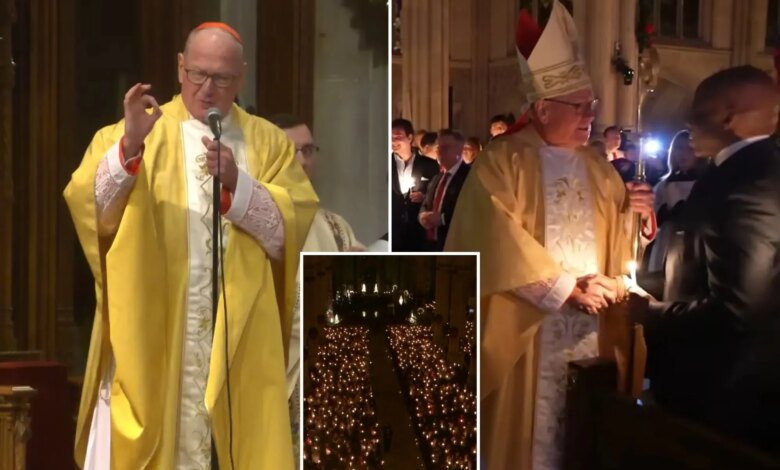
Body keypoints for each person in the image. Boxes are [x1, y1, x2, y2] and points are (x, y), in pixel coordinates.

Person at [64, 23, 317, 469]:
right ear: (180, 67)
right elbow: (92, 209)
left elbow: (287, 234)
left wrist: (239, 186)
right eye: (198, 74)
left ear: (240, 76)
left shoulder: (268, 143)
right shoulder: (139, 130)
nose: (207, 89)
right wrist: (129, 147)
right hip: (156, 336)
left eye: (221, 78)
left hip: (237, 339)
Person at [444, 3, 655, 468]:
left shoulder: (600, 169)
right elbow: (491, 238)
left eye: (592, 107)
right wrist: (565, 290)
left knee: (579, 437)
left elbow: (625, 244)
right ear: (542, 107)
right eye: (580, 107)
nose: (591, 116)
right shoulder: (503, 162)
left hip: (590, 335)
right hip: (530, 331)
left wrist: (639, 220)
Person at [631, 65, 780, 456]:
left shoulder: (751, 183)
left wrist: (646, 311)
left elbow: (738, 310)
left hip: (724, 393)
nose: (687, 122)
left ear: (726, 117)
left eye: (697, 111)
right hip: (710, 383)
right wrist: (637, 282)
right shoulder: (730, 169)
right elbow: (698, 263)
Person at [270, 114, 365, 252]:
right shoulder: (250, 227)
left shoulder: (335, 227)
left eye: (307, 151)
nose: (302, 162)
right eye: (288, 152)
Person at [646, 130, 704, 274]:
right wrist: (662, 214)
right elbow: (651, 216)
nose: (683, 153)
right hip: (666, 243)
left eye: (688, 148)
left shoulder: (705, 183)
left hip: (694, 245)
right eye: (678, 148)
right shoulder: (663, 185)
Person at [391, 118, 440, 251]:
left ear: (410, 137)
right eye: (390, 138)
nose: (393, 141)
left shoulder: (429, 165)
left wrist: (424, 197)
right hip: (392, 231)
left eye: (398, 137)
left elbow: (437, 193)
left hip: (419, 232)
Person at [418, 129, 471, 251]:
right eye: (438, 148)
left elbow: (470, 211)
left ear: (459, 149)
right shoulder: (437, 178)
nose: (439, 152)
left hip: (454, 243)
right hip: (431, 244)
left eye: (445, 147)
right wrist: (422, 216)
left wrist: (442, 218)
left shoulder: (469, 177)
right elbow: (426, 204)